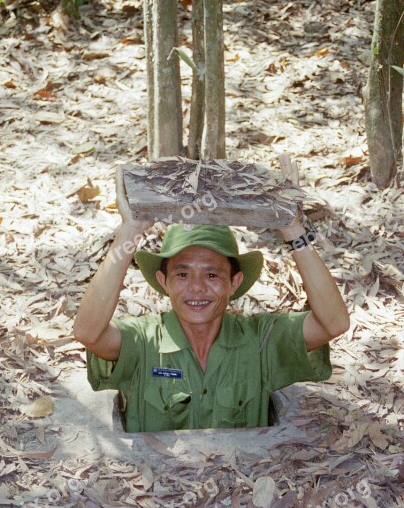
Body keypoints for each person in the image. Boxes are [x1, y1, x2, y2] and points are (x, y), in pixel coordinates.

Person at [73, 159, 350, 432]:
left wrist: (293, 229)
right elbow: (88, 333)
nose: (196, 287)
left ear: (234, 282)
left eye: (212, 274)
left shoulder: (260, 342)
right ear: (163, 281)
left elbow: (333, 324)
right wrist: (130, 232)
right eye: (182, 274)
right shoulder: (143, 342)